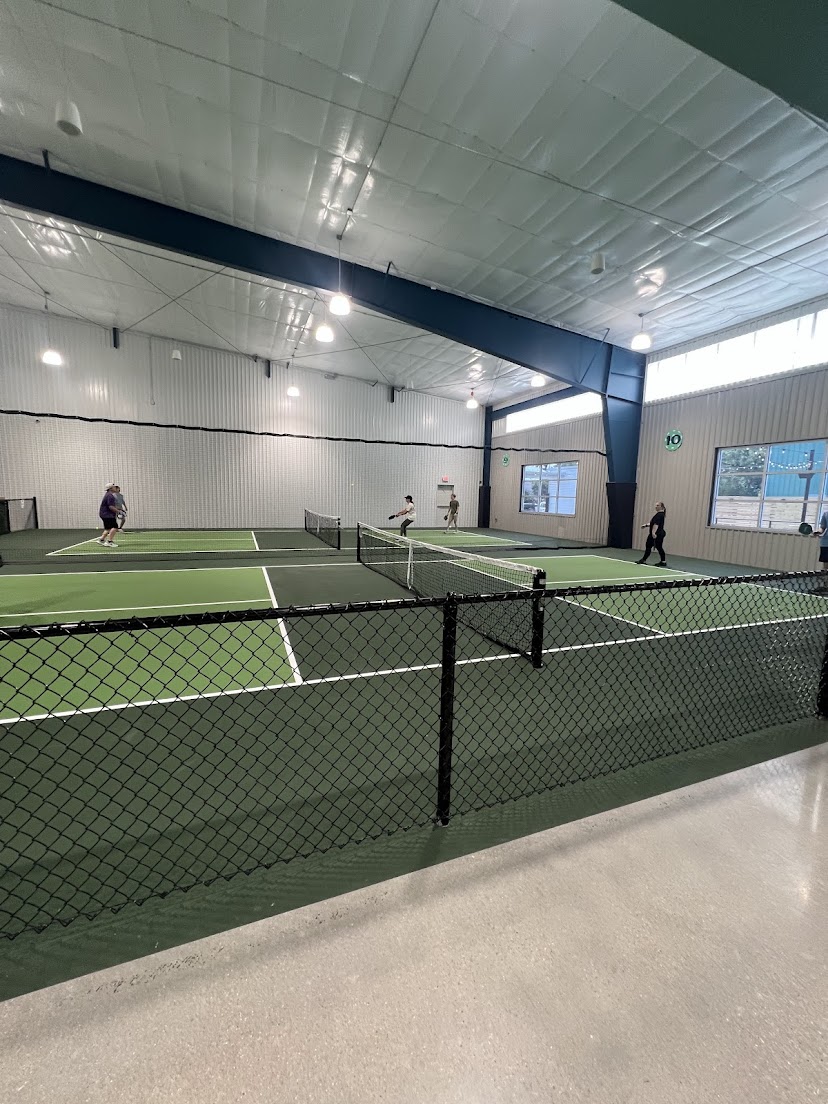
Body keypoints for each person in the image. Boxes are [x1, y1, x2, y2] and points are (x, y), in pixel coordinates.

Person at [637, 501, 667, 567]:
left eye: (658, 505)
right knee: (655, 547)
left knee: (655, 547)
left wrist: (653, 533)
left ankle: (662, 561)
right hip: (658, 534)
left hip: (657, 534)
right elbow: (652, 523)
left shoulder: (659, 515)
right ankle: (662, 561)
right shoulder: (659, 514)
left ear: (661, 507)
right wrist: (646, 525)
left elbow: (656, 524)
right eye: (656, 505)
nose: (656, 507)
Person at [96, 483, 120, 548]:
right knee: (115, 527)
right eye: (114, 487)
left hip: (104, 514)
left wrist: (117, 509)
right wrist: (119, 512)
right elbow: (111, 507)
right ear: (111, 488)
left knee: (108, 528)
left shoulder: (108, 495)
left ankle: (101, 540)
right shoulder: (110, 496)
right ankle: (109, 542)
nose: (115, 488)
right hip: (107, 515)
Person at [813, 509, 828, 575]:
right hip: (826, 543)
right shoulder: (826, 514)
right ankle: (825, 579)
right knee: (826, 566)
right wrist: (818, 531)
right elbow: (822, 527)